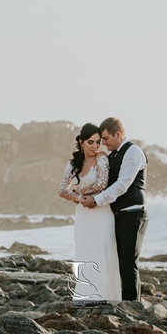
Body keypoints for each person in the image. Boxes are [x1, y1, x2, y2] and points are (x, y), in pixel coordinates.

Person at [79, 117, 148, 302]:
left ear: (118, 134)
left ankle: (132, 306)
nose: (103, 143)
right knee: (118, 262)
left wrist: (96, 200)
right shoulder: (112, 155)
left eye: (105, 138)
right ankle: (122, 301)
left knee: (128, 263)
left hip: (133, 212)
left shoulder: (133, 152)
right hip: (118, 214)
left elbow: (122, 185)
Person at [58, 123, 121, 304]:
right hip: (83, 215)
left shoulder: (102, 157)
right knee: (85, 253)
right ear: (81, 142)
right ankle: (87, 297)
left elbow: (102, 183)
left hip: (101, 214)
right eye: (91, 142)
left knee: (101, 253)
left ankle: (106, 298)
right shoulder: (73, 164)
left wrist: (80, 191)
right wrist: (79, 199)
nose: (96, 146)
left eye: (98, 142)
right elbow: (62, 190)